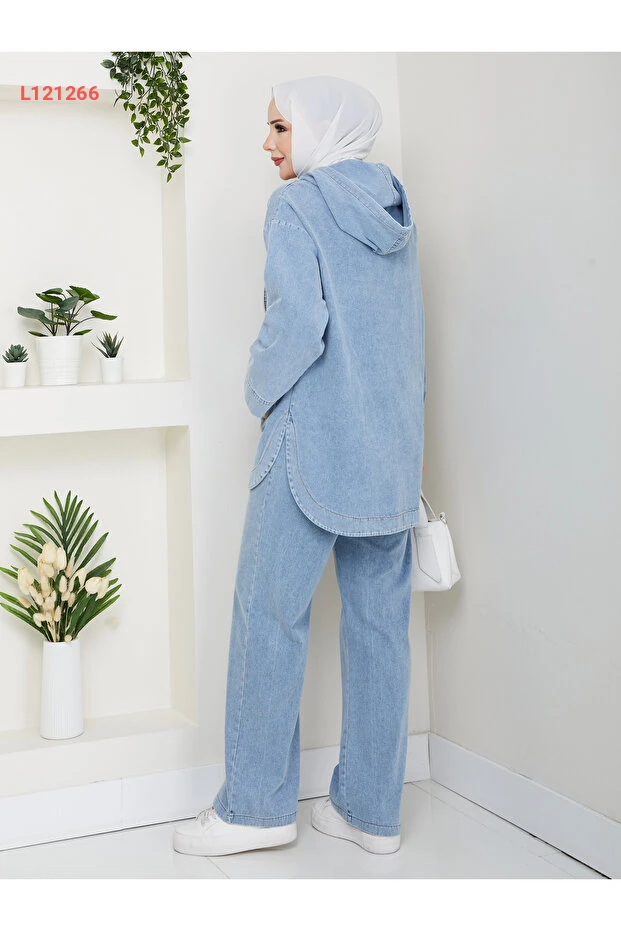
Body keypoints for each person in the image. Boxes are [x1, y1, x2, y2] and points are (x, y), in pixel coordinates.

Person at [173, 75, 426, 858]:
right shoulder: (395, 209)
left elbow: (296, 324)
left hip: (308, 442)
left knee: (268, 618)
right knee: (379, 630)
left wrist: (256, 395)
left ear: (319, 129)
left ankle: (254, 809)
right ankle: (370, 812)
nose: (268, 143)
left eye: (281, 127)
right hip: (389, 449)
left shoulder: (296, 205)